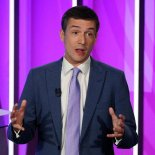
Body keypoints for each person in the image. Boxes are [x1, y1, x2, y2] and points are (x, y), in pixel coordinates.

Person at [7, 5, 138, 155]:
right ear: (62, 35)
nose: (82, 40)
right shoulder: (38, 77)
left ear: (95, 38)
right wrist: (18, 127)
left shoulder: (114, 79)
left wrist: (122, 133)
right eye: (75, 32)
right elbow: (24, 135)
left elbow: (132, 136)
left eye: (89, 34)